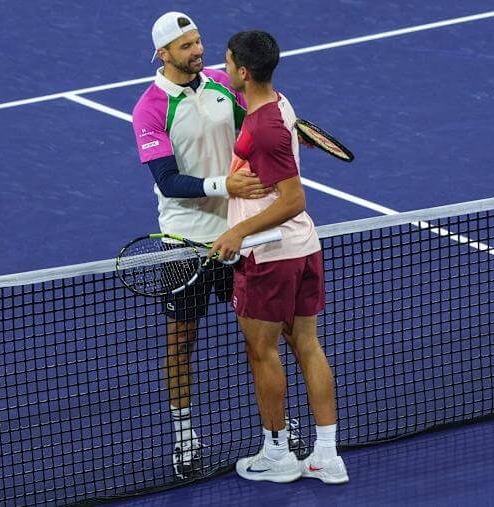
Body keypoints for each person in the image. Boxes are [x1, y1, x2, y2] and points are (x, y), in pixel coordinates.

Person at [131, 12, 276, 480]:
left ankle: (277, 429)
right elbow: (169, 181)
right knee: (180, 342)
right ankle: (185, 434)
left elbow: (264, 116)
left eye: (198, 41)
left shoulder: (223, 82)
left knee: (264, 339)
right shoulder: (150, 108)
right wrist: (227, 185)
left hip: (240, 235)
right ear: (163, 54)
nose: (198, 50)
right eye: (186, 45)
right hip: (185, 245)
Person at [209, 30, 349, 484]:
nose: (223, 66)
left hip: (269, 255)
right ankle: (326, 455)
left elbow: (293, 200)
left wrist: (237, 230)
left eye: (228, 62)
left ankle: (277, 453)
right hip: (303, 250)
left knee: (262, 351)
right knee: (306, 345)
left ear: (244, 72)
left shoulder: (264, 128)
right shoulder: (278, 103)